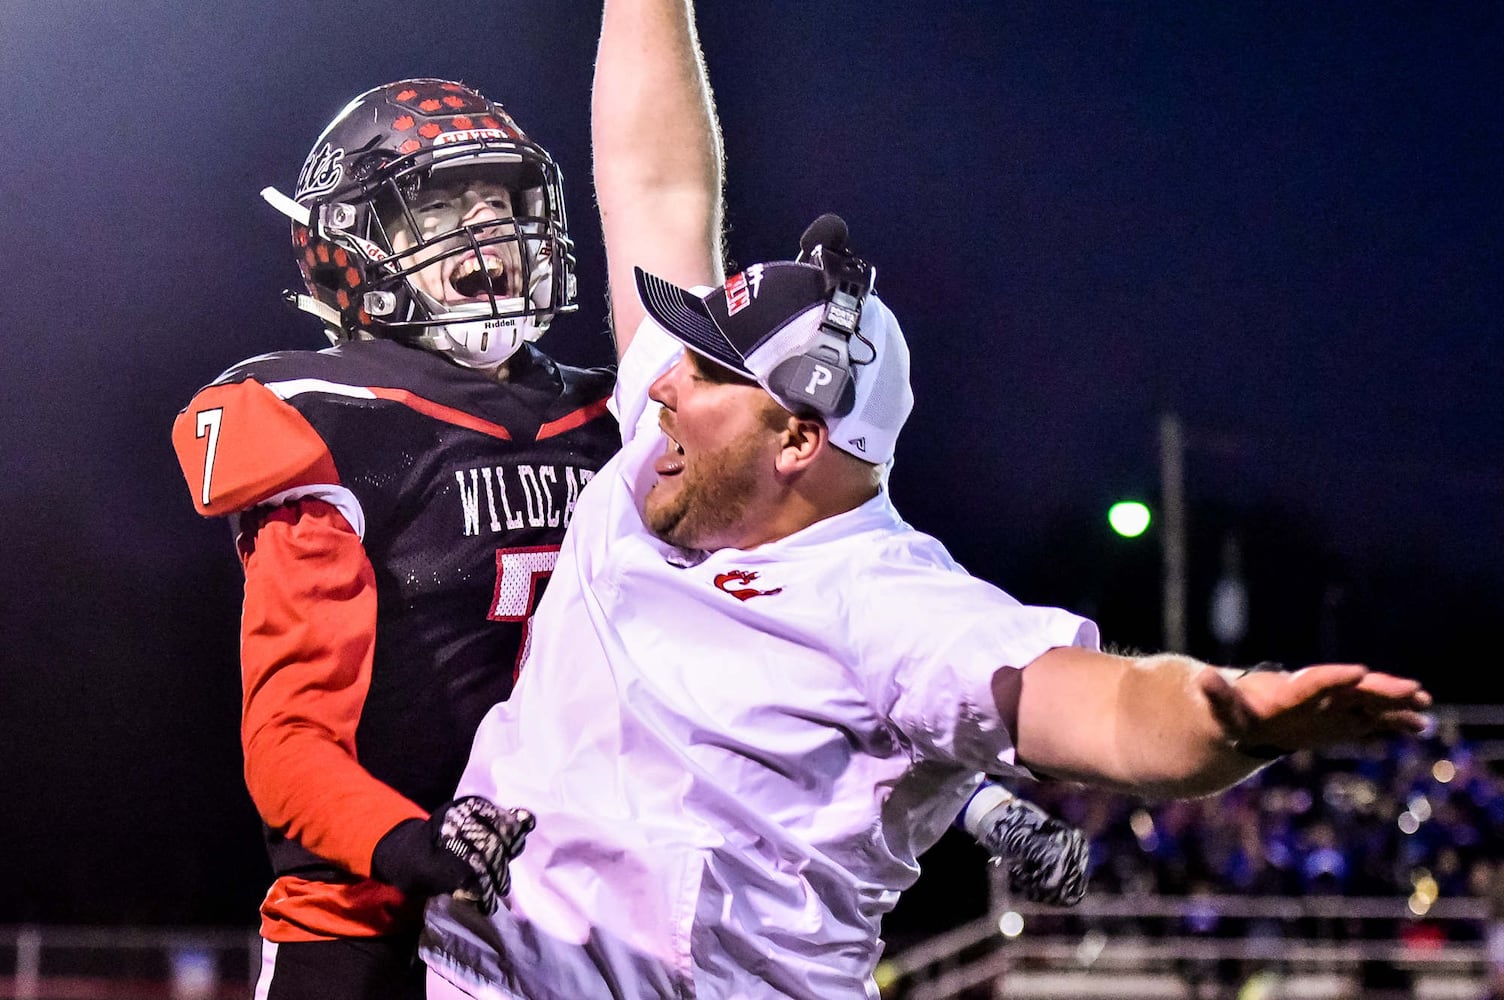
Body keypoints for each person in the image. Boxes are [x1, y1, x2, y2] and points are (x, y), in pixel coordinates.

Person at [417, 4, 1432, 997]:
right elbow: (656, 180)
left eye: (707, 374)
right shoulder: (674, 443)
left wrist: (1233, 721)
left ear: (800, 439)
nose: (662, 384)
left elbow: (1101, 706)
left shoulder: (884, 599)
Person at [170, 78, 615, 998]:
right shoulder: (332, 425)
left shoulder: (607, 413)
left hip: (573, 913)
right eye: (445, 206)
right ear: (353, 248)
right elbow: (289, 745)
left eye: (506, 201)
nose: (491, 225)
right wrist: (415, 842)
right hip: (367, 921)